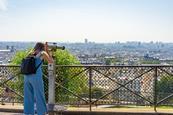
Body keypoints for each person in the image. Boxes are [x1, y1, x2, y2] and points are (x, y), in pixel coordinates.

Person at [24, 42, 53, 115]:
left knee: (28, 96)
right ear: (43, 47)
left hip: (27, 77)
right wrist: (47, 50)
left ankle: (28, 113)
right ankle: (42, 113)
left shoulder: (30, 53)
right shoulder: (42, 53)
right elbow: (51, 61)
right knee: (39, 95)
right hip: (35, 76)